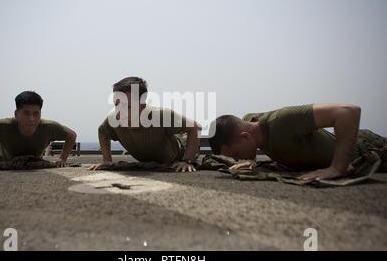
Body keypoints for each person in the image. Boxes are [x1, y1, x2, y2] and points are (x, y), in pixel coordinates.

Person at [208, 104, 387, 180]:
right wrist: (251, 160)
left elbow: (349, 112)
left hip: (369, 149)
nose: (237, 160)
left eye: (237, 155)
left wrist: (337, 168)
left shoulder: (282, 122)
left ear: (245, 136)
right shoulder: (249, 124)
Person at [88, 76, 200, 172]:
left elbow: (194, 127)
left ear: (142, 105)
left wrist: (187, 161)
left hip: (178, 151)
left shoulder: (161, 115)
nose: (119, 111)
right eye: (116, 104)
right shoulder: (113, 119)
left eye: (127, 106)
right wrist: (107, 161)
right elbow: (102, 132)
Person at [0, 91, 77, 169]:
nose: (31, 119)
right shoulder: (3, 125)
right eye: (26, 113)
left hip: (32, 159)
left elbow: (71, 135)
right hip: (1, 155)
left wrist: (62, 159)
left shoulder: (48, 127)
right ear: (16, 114)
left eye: (36, 114)